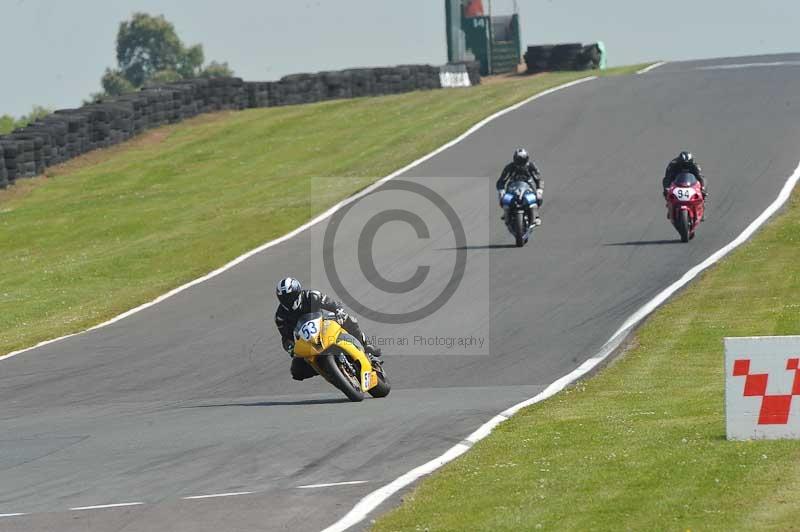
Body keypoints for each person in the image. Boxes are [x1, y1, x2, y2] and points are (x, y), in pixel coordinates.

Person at [274, 277, 381, 381]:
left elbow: (332, 304)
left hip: (326, 324)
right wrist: (290, 348)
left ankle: (365, 344)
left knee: (348, 319)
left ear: (297, 292)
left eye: (290, 296)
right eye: (284, 298)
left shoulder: (311, 296)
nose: (288, 300)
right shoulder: (280, 316)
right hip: (307, 340)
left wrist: (339, 312)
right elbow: (286, 337)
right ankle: (326, 369)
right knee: (296, 372)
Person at [496, 148, 543, 225]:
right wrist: (501, 190)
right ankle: (506, 212)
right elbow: (501, 180)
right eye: (518, 161)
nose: (521, 164)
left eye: (523, 161)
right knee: (503, 199)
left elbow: (538, 179)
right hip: (512, 187)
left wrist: (539, 190)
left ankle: (536, 216)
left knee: (538, 198)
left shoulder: (531, 166)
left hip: (528, 186)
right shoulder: (509, 167)